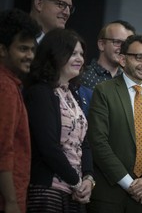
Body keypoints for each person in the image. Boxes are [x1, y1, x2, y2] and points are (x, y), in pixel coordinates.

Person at [87, 35, 142, 213]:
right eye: (139, 57)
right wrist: (128, 183)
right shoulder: (104, 91)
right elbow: (98, 142)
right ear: (123, 59)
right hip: (109, 196)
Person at [24, 28, 95, 213]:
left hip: (74, 191)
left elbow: (84, 143)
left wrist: (88, 178)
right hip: (48, 190)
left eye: (81, 53)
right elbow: (48, 146)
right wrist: (77, 181)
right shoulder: (41, 93)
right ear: (55, 54)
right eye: (73, 53)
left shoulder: (73, 94)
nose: (80, 58)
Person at [0, 9, 40, 213]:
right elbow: (3, 150)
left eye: (32, 50)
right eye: (23, 49)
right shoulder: (5, 87)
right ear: (3, 50)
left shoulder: (12, 84)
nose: (30, 56)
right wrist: (12, 202)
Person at [80, 20, 136, 90]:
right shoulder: (82, 76)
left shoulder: (130, 81)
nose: (122, 48)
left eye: (126, 44)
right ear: (102, 44)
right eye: (117, 42)